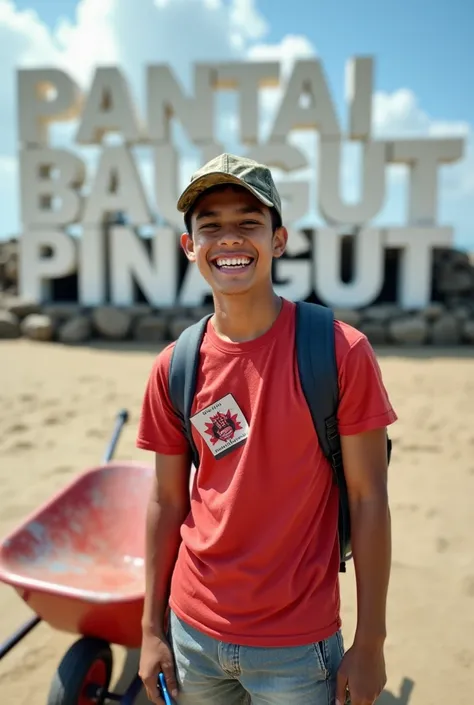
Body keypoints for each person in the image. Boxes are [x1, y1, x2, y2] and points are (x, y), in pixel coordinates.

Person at [136, 153, 397, 705]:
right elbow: (166, 500)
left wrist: (370, 640)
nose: (229, 239)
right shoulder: (175, 365)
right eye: (210, 226)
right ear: (190, 248)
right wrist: (151, 629)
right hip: (192, 633)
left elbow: (369, 496)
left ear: (278, 240)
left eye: (248, 223)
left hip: (298, 646)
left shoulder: (339, 350)